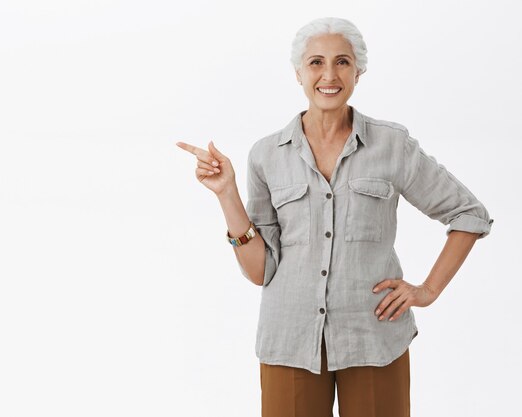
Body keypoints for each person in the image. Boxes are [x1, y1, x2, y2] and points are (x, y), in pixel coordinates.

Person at [176, 16, 493, 417]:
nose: (329, 74)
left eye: (342, 62)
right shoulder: (266, 155)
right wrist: (226, 194)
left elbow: (468, 214)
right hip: (289, 341)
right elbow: (261, 271)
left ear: (358, 71)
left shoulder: (391, 145)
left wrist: (427, 290)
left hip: (374, 338)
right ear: (298, 73)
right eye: (315, 63)